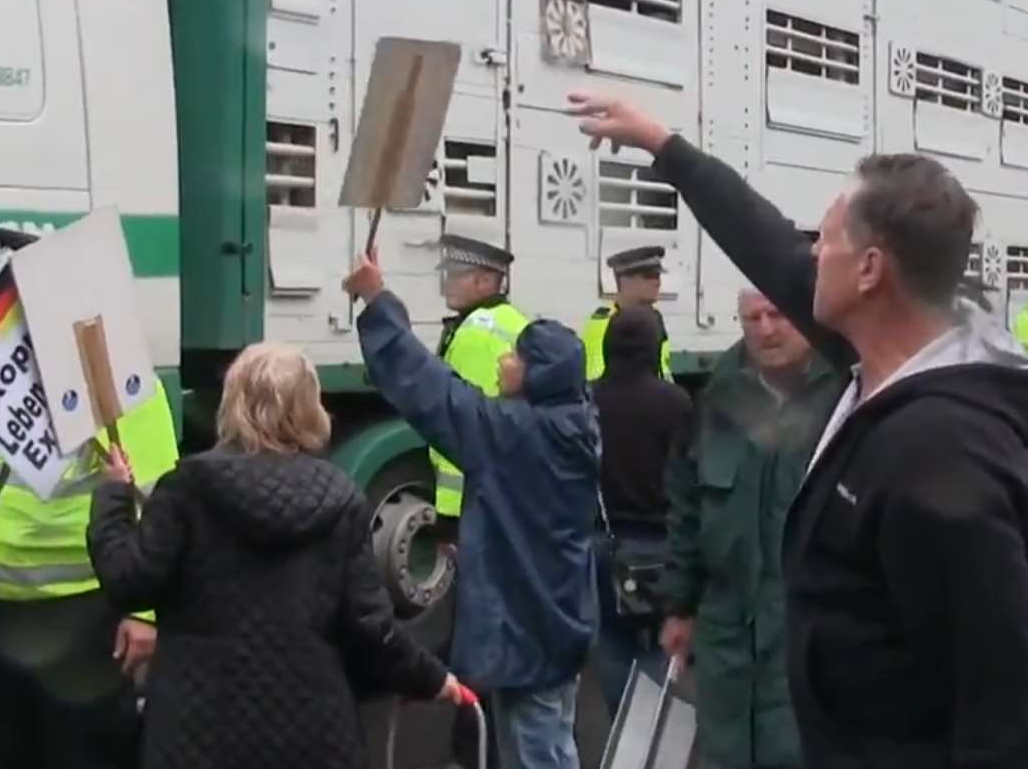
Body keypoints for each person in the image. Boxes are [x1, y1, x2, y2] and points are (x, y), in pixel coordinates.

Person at [567, 91, 1028, 768]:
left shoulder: (942, 456)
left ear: (871, 270)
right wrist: (663, 145)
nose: (809, 254)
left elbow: (1000, 715)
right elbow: (764, 243)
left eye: (826, 238)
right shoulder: (885, 362)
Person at [86, 343, 466, 769]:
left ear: (232, 402)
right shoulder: (339, 499)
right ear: (309, 408)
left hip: (197, 729)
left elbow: (128, 580)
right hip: (311, 731)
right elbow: (370, 628)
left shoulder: (187, 489)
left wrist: (113, 497)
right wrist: (432, 678)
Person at [0, 227, 179, 769]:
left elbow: (157, 497)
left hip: (78, 607)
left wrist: (144, 610)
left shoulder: (111, 372)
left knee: (81, 750)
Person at [344, 249, 597, 769]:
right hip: (554, 624)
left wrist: (376, 298)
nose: (506, 361)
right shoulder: (571, 425)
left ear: (541, 376)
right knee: (544, 738)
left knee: (538, 752)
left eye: (519, 358)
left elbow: (433, 392)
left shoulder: (518, 437)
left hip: (529, 633)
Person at [662, 289, 842, 769]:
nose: (765, 328)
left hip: (809, 629)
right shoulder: (715, 401)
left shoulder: (844, 398)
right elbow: (686, 510)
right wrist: (678, 607)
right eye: (752, 318)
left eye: (778, 313)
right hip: (727, 630)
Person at [433, 233, 530, 769]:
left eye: (460, 274)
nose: (450, 282)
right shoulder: (517, 323)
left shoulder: (474, 333)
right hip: (511, 497)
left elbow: (456, 432)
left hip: (476, 503)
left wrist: (447, 514)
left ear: (488, 281)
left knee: (475, 627)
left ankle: (471, 749)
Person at [591, 305, 692, 718]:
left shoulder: (588, 398)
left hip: (601, 541)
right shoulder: (674, 402)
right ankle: (647, 741)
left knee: (610, 644)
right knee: (652, 647)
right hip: (656, 545)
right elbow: (689, 478)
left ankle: (620, 731)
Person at [582, 246, 674, 381]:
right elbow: (596, 380)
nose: (658, 283)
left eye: (658, 276)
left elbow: (663, 370)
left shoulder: (656, 319)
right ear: (625, 280)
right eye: (649, 276)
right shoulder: (602, 323)